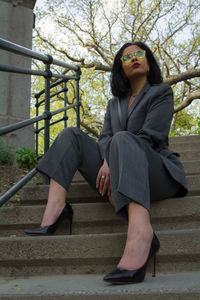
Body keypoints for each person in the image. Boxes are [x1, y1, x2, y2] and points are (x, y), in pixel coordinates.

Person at [25, 41, 188, 284]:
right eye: (127, 57)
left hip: (157, 174)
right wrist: (108, 161)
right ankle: (56, 210)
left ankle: (143, 234)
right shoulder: (114, 103)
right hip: (118, 170)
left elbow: (150, 137)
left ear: (147, 61)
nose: (134, 58)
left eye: (139, 54)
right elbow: (104, 139)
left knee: (124, 138)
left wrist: (113, 161)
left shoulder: (161, 93)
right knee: (71, 134)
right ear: (121, 68)